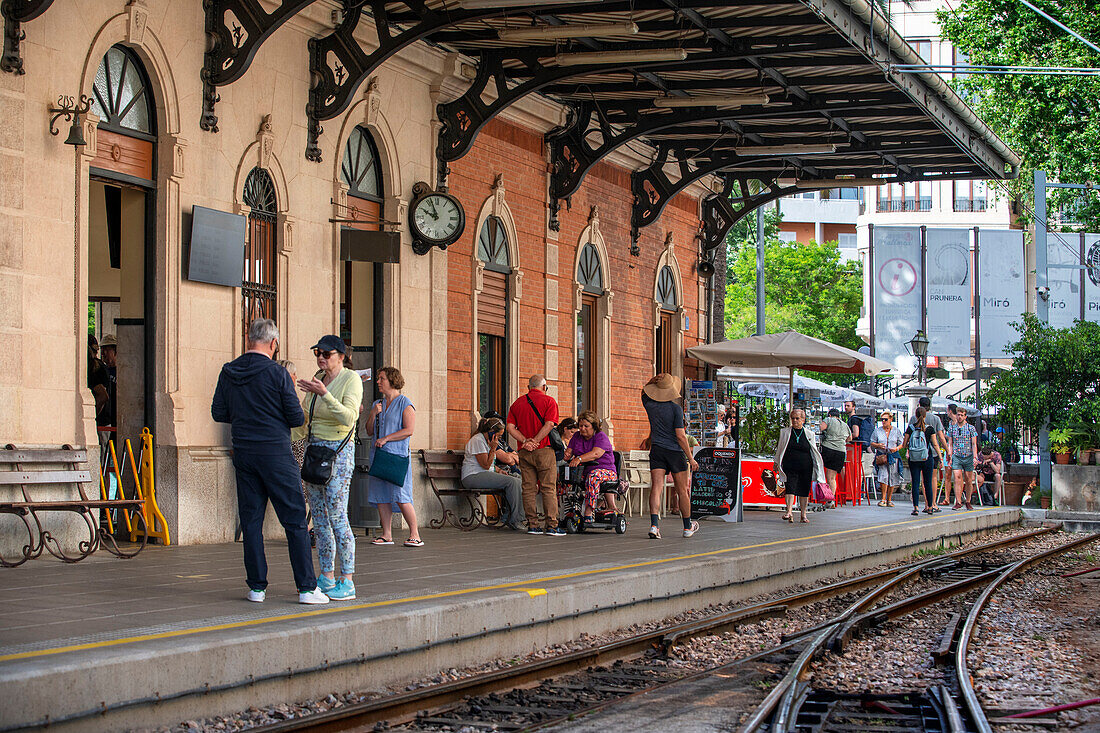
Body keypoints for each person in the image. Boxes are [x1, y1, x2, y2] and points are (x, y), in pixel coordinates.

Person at [211, 318, 328, 605]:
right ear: (274, 343)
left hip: (244, 453)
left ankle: (257, 587)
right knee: (295, 521)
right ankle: (306, 588)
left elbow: (218, 412)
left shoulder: (229, 371)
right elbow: (296, 417)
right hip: (275, 453)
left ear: (248, 339)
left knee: (251, 521)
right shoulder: (277, 373)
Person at [294, 335, 363, 601]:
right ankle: (326, 574)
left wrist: (325, 394)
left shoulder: (351, 380)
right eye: (317, 353)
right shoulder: (318, 377)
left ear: (341, 356)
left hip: (338, 454)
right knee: (319, 520)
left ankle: (348, 578)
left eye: (327, 354)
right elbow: (305, 418)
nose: (321, 358)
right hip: (315, 451)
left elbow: (349, 417)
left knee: (336, 517)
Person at [365, 366, 421, 548]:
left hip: (396, 457)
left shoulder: (405, 403)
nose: (378, 382)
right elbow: (368, 430)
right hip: (379, 456)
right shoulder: (377, 404)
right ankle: (386, 534)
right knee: (381, 494)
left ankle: (415, 534)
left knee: (401, 495)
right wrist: (373, 414)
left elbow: (409, 430)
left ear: (392, 380)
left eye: (382, 378)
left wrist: (387, 438)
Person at [641, 373, 699, 539]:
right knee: (682, 491)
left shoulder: (650, 405)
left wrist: (653, 381)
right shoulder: (675, 409)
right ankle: (688, 527)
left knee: (657, 488)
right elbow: (681, 436)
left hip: (657, 450)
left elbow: (643, 393)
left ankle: (654, 525)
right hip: (675, 452)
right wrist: (690, 457)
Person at [507, 374, 564, 536]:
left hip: (524, 451)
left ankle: (533, 524)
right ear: (544, 387)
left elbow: (510, 428)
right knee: (548, 488)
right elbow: (550, 424)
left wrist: (526, 441)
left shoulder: (517, 403)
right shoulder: (549, 401)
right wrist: (537, 441)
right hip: (544, 449)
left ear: (528, 387)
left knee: (528, 488)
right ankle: (552, 525)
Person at [461, 417, 523, 530]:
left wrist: (499, 471)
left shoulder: (486, 440)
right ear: (491, 433)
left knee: (518, 481)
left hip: (483, 474)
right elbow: (485, 465)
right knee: (512, 482)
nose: (499, 439)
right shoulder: (478, 440)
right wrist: (493, 448)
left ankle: (510, 517)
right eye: (498, 436)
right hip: (473, 476)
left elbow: (489, 465)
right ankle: (515, 520)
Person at [564, 410, 619, 525]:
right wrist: (567, 455)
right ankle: (565, 511)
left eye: (586, 426)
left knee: (593, 476)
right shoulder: (577, 436)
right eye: (580, 426)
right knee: (563, 476)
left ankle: (589, 511)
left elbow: (596, 454)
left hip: (606, 471)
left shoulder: (601, 437)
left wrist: (578, 459)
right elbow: (569, 451)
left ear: (593, 426)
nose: (582, 428)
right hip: (583, 471)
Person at [773, 408, 826, 523]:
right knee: (790, 488)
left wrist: (818, 468)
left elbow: (814, 451)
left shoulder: (809, 434)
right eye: (793, 418)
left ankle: (803, 514)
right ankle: (789, 512)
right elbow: (780, 448)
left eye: (797, 418)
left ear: (803, 419)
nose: (795, 421)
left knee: (804, 490)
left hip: (806, 466)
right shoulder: (785, 432)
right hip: (789, 464)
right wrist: (776, 463)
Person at [909, 397, 948, 507]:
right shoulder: (935, 419)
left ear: (919, 405)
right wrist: (947, 450)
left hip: (916, 454)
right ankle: (932, 504)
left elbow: (908, 437)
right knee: (932, 479)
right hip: (931, 453)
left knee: (920, 480)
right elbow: (940, 437)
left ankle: (922, 504)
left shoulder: (913, 419)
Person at [903, 406, 941, 516]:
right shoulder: (929, 429)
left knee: (915, 482)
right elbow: (935, 444)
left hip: (914, 459)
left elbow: (905, 444)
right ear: (925, 416)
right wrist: (940, 457)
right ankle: (929, 507)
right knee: (927, 483)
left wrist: (909, 448)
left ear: (915, 416)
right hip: (926, 458)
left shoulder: (910, 428)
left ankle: (915, 508)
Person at [946, 408, 979, 510]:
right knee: (957, 478)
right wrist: (950, 455)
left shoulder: (971, 428)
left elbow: (974, 443)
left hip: (968, 455)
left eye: (961, 415)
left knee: (968, 479)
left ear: (965, 416)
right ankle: (958, 501)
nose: (959, 417)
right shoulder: (952, 428)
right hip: (957, 455)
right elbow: (950, 443)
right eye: (958, 415)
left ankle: (968, 501)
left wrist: (975, 456)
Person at [870, 411, 904, 507]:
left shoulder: (896, 431)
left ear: (890, 420)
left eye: (885, 419)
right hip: (882, 456)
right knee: (883, 477)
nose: (883, 421)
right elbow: (872, 442)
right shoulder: (877, 431)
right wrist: (878, 445)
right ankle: (883, 498)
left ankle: (889, 499)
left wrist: (896, 448)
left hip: (893, 456)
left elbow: (902, 443)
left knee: (892, 477)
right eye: (882, 420)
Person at [818, 408, 851, 503]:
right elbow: (850, 438)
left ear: (830, 415)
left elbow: (820, 428)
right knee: (832, 478)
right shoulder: (845, 424)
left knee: (819, 472)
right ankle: (831, 500)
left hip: (828, 449)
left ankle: (818, 496)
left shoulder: (829, 420)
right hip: (840, 451)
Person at [483, 410, 521, 478]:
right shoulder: (491, 440)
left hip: (511, 471)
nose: (500, 423)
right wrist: (509, 456)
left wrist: (510, 455)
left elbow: (516, 456)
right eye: (497, 421)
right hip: (503, 471)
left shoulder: (501, 441)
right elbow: (507, 459)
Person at [87, 334, 111, 427]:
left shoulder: (94, 368)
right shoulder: (101, 366)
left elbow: (102, 396)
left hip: (101, 422)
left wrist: (91, 417)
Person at [99, 333, 118, 428]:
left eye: (106, 349)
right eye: (102, 349)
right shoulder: (102, 371)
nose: (103, 353)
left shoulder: (123, 372)